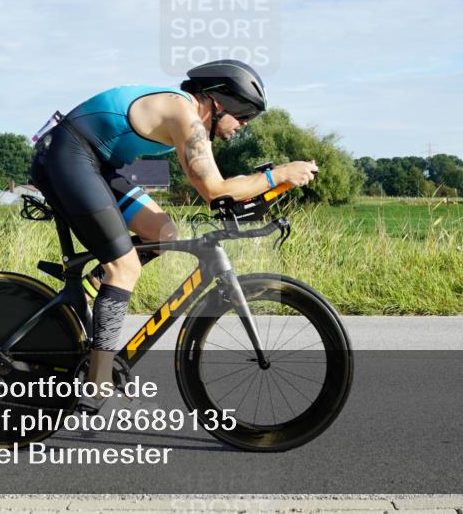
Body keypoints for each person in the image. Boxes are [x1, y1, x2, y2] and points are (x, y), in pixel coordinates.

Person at [29, 59, 319, 411]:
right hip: (68, 155)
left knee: (163, 233)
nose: (243, 126)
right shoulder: (186, 117)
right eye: (244, 116)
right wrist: (279, 174)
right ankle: (97, 377)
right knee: (125, 268)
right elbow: (215, 190)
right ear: (220, 101)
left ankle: (91, 290)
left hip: (97, 164)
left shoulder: (190, 117)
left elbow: (221, 191)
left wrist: (275, 184)